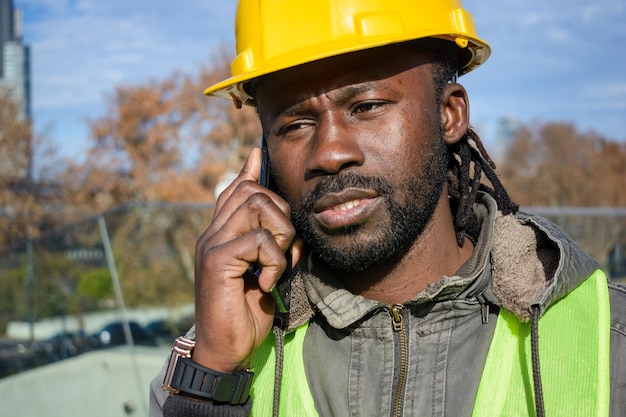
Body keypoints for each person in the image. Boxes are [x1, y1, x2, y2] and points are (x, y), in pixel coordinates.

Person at [150, 1, 626, 416]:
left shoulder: (611, 340)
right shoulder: (214, 359)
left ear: (449, 114)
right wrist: (212, 380)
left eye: (368, 106)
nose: (329, 153)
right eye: (294, 124)